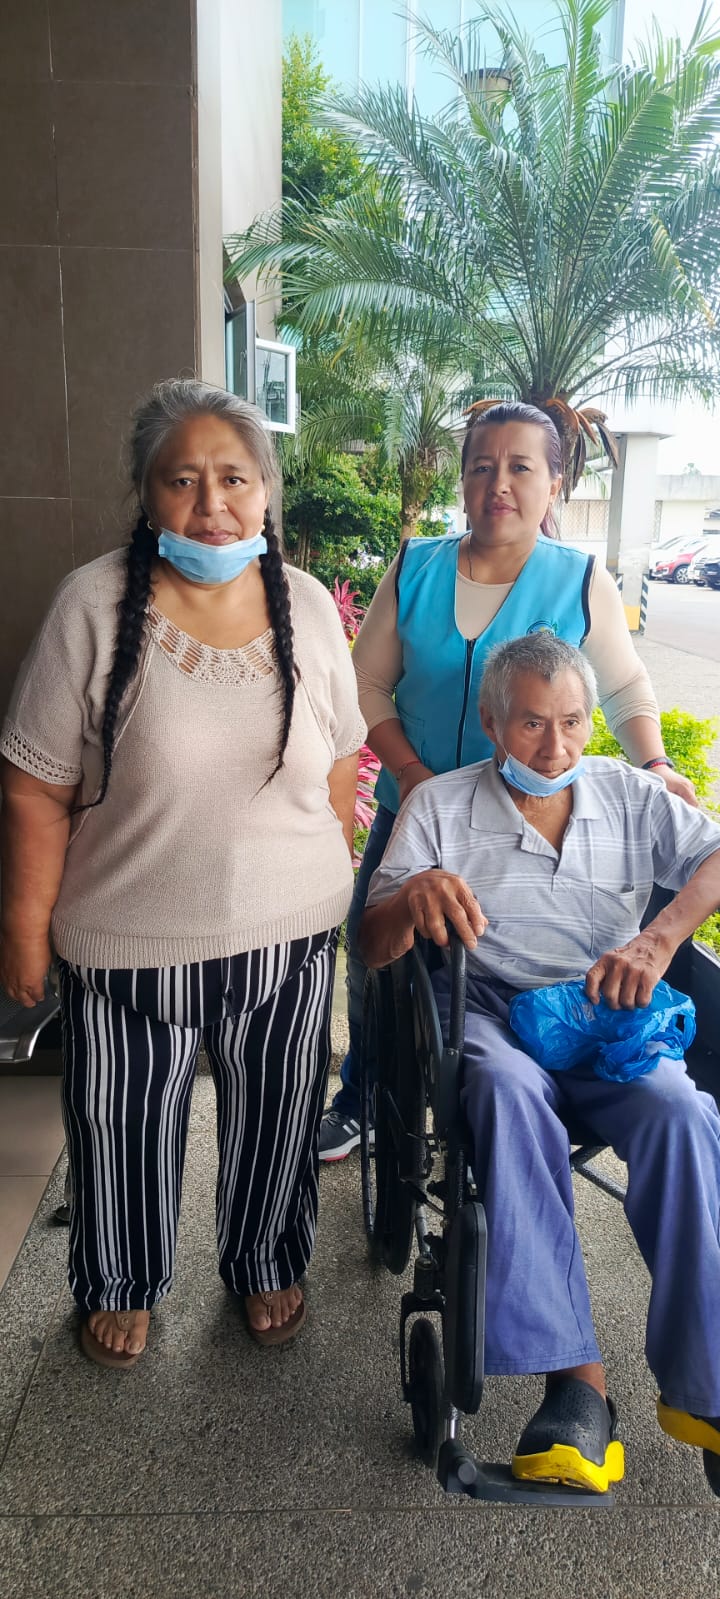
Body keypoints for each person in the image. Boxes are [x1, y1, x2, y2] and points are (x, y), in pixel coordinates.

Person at [0, 378, 365, 1366]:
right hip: (128, 944)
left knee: (280, 1115)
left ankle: (265, 1259)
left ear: (267, 489)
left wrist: (320, 882)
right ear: (147, 492)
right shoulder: (91, 605)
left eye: (234, 478)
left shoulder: (305, 606)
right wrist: (24, 931)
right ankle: (121, 1282)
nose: (212, 504)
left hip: (288, 942)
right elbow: (33, 787)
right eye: (183, 480)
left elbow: (341, 762)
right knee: (118, 1125)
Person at [359, 633, 720, 1495]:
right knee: (507, 1088)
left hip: (604, 1010)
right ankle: (577, 1383)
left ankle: (707, 1388)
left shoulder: (631, 794)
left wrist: (659, 939)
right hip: (490, 1009)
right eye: (530, 723)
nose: (556, 745)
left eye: (572, 721)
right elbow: (372, 944)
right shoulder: (440, 806)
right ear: (491, 722)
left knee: (681, 1111)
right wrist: (412, 897)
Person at [320, 401, 696, 1161]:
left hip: (532, 810)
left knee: (497, 968)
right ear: (461, 480)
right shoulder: (417, 566)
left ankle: (510, 1090)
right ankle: (363, 1094)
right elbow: (364, 685)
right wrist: (413, 775)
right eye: (481, 466)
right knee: (375, 958)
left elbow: (624, 687)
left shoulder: (579, 578)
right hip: (418, 809)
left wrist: (654, 763)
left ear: (554, 483)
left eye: (521, 467)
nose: (499, 483)